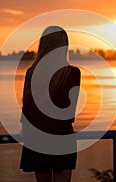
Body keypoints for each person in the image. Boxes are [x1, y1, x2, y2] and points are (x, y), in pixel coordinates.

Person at [20, 26, 81, 182]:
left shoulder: (31, 73)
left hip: (35, 137)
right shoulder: (72, 73)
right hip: (61, 136)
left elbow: (26, 112)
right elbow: (69, 114)